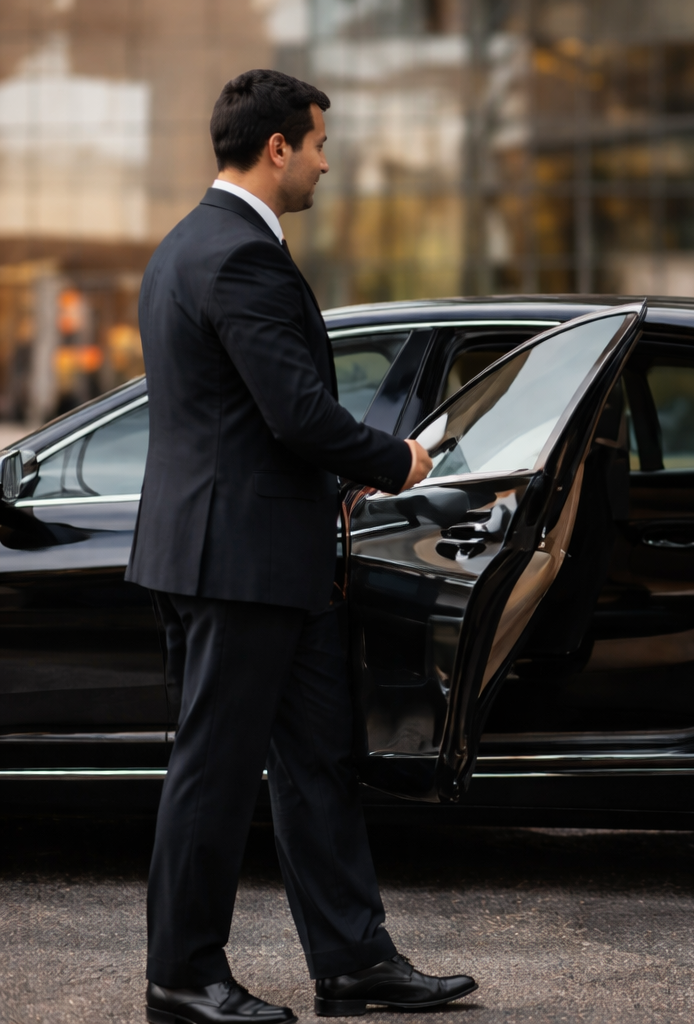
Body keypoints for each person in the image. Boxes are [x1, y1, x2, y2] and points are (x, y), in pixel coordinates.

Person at [128, 70, 477, 1023]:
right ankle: (182, 977)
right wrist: (398, 459)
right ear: (276, 146)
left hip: (274, 559)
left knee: (318, 761)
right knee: (216, 769)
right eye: (319, 142)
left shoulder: (188, 246)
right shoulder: (239, 255)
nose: (327, 159)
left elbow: (241, 415)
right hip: (237, 562)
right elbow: (294, 414)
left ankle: (354, 963)